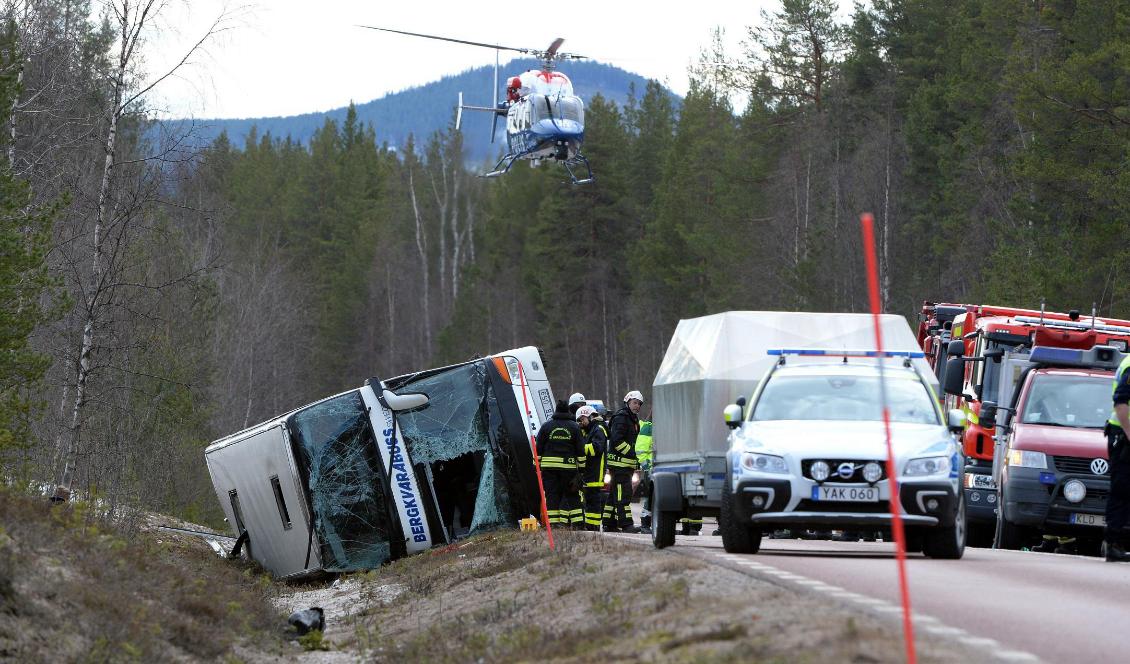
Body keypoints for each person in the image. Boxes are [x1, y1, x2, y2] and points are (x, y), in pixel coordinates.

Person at [536, 400, 584, 529]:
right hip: (568, 468)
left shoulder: (546, 426)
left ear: (556, 411)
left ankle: (553, 524)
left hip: (549, 468)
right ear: (568, 411)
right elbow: (580, 450)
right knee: (572, 495)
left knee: (552, 495)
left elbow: (538, 448)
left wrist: (537, 466)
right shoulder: (574, 427)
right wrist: (582, 469)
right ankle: (578, 524)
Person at [604, 390, 643, 532]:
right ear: (627, 402)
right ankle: (626, 524)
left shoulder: (633, 419)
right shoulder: (622, 417)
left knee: (614, 495)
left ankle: (609, 523)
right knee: (623, 495)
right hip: (620, 465)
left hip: (625, 465)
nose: (637, 406)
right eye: (634, 402)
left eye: (639, 404)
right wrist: (633, 453)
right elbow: (617, 440)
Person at [1105, 354, 1130, 562]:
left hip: (1123, 434)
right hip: (1123, 436)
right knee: (1122, 488)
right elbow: (1121, 403)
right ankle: (1113, 544)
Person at [576, 406, 607, 531]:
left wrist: (581, 448)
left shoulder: (598, 429)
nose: (581, 422)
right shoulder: (591, 430)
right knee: (590, 499)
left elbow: (596, 448)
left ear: (589, 416)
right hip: (590, 470)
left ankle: (593, 526)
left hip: (595, 470)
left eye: (582, 419)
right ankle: (590, 525)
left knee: (593, 499)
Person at [636, 417, 654, 534]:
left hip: (661, 466)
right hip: (652, 468)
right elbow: (640, 450)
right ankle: (645, 523)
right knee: (651, 498)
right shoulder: (648, 427)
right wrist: (646, 466)